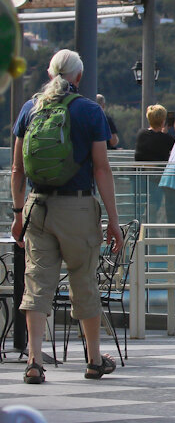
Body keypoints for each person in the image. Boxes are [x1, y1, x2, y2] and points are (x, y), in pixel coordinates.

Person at [10, 49, 123, 384]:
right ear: (78, 77)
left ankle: (33, 361)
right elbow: (102, 169)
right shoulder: (90, 110)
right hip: (76, 207)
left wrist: (17, 214)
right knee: (83, 281)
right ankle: (92, 359)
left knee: (37, 283)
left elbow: (16, 169)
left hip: (37, 206)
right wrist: (113, 222)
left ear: (50, 75)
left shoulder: (30, 108)